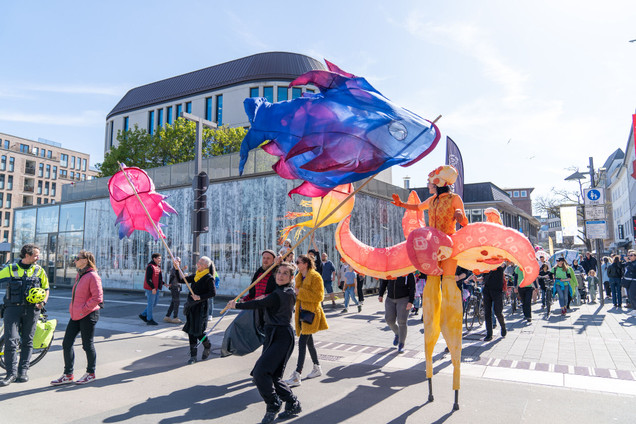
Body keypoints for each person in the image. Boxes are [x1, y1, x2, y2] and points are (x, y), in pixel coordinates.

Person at [392, 164, 468, 401]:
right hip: (432, 250)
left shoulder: (454, 198)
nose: (430, 183)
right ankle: (432, 329)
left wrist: (461, 217)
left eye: (433, 180)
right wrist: (402, 205)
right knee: (432, 290)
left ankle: (451, 332)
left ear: (442, 180)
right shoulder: (433, 200)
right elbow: (419, 207)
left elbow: (464, 223)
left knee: (448, 286)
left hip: (448, 247)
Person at [227, 262, 302, 423]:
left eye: (284, 273)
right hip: (273, 334)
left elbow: (259, 304)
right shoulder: (280, 290)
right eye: (278, 272)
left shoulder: (283, 293)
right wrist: (276, 262)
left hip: (281, 336)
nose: (280, 275)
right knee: (274, 376)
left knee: (260, 372)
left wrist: (237, 305)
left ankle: (273, 403)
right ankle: (292, 402)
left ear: (291, 277)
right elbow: (265, 286)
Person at [50, 250, 103, 386]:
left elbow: (97, 298)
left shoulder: (92, 275)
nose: (74, 260)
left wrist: (83, 309)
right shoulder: (80, 275)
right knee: (66, 343)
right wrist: (75, 310)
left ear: (85, 260)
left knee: (87, 345)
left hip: (88, 314)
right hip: (76, 315)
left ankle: (90, 373)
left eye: (77, 258)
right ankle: (68, 374)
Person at [0, 244, 49, 386]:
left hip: (32, 310)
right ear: (27, 255)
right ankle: (10, 374)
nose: (38, 257)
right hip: (12, 310)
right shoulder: (11, 269)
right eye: (35, 255)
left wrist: (43, 303)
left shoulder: (39, 270)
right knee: (11, 340)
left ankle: (23, 372)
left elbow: (46, 289)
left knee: (27, 340)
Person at [284, 255, 328, 388]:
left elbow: (320, 296)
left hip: (312, 314)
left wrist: (300, 292)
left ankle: (297, 375)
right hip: (302, 313)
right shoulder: (298, 276)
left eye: (298, 262)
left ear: (306, 264)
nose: (296, 263)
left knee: (302, 342)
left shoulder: (315, 277)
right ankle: (317, 367)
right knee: (309, 343)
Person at [183, 256, 216, 364]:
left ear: (206, 266)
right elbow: (181, 279)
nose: (198, 264)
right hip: (191, 306)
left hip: (201, 308)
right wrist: (177, 268)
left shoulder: (208, 277)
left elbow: (213, 293)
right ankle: (193, 356)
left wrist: (200, 297)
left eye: (200, 263)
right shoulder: (196, 275)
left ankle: (207, 344)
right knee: (191, 331)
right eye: (198, 262)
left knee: (199, 332)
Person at [378, 273, 415, 353]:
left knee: (402, 322)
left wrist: (410, 301)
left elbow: (412, 287)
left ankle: (401, 344)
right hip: (390, 299)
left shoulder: (408, 271)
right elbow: (384, 281)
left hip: (403, 299)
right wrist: (381, 294)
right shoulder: (390, 269)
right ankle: (397, 333)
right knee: (389, 320)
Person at [481, 263, 507, 341]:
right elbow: (484, 277)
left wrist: (499, 263)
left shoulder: (500, 264)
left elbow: (504, 265)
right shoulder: (486, 264)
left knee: (498, 312)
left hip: (497, 291)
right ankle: (489, 334)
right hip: (487, 290)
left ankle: (503, 327)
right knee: (487, 313)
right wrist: (477, 279)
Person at [138, 253, 164, 326]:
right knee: (150, 304)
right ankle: (149, 319)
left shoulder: (157, 266)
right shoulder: (150, 266)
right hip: (151, 288)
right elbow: (148, 279)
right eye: (159, 258)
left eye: (160, 258)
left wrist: (163, 283)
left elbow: (158, 277)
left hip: (155, 288)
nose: (160, 260)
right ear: (154, 259)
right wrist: (153, 288)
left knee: (154, 303)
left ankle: (143, 315)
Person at [164, 257, 184, 324]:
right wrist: (170, 284)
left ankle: (167, 316)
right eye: (177, 261)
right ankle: (175, 317)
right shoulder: (174, 269)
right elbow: (172, 277)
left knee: (173, 302)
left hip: (176, 287)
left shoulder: (177, 269)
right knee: (176, 302)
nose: (178, 263)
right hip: (175, 287)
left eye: (179, 261)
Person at [622, 250, 636, 315]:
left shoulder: (634, 263)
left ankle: (635, 309)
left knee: (633, 295)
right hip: (629, 280)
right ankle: (634, 309)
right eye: (629, 255)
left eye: (631, 255)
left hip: (634, 280)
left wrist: (628, 262)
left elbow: (633, 269)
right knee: (630, 295)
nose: (629, 257)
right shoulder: (630, 262)